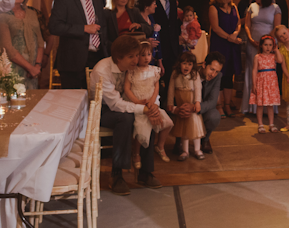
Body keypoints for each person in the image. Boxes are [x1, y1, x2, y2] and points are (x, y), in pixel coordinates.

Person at [88, 33, 162, 193]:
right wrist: (144, 109)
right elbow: (115, 104)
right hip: (102, 110)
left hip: (128, 105)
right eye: (131, 56)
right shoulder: (103, 70)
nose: (136, 60)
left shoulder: (133, 69)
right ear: (118, 58)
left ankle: (145, 172)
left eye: (137, 55)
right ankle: (116, 174)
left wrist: (152, 107)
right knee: (125, 119)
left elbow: (147, 89)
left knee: (148, 118)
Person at [50, 0, 116, 89]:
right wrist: (83, 28)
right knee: (72, 101)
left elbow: (103, 27)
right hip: (72, 59)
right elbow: (54, 26)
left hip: (96, 58)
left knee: (95, 100)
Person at [122, 40, 173, 167]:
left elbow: (156, 89)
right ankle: (137, 153)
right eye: (142, 55)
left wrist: (152, 102)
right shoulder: (132, 71)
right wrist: (137, 102)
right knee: (142, 129)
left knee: (168, 123)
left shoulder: (154, 70)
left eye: (149, 54)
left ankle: (160, 146)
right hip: (138, 105)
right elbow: (127, 89)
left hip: (152, 104)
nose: (146, 58)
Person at [0, 0, 44, 91]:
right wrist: (30, 68)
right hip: (12, 68)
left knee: (31, 103)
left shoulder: (32, 13)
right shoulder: (2, 16)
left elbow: (40, 42)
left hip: (32, 70)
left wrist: (37, 66)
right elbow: (7, 48)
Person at [243, 0, 281, 115]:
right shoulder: (252, 7)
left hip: (268, 44)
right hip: (253, 43)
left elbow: (277, 27)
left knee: (267, 74)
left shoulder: (275, 8)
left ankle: (268, 107)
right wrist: (250, 38)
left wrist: (266, 40)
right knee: (252, 71)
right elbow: (247, 25)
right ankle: (251, 107)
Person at [208, 0, 243, 117]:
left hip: (232, 45)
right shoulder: (214, 8)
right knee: (219, 75)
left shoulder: (233, 7)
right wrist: (229, 37)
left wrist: (235, 33)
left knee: (229, 75)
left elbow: (238, 23)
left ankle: (228, 105)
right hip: (220, 44)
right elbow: (215, 27)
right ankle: (219, 105)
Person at [167, 52, 207, 161]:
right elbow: (171, 89)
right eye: (184, 63)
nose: (186, 66)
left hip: (192, 104)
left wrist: (197, 102)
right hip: (181, 104)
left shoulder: (195, 74)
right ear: (179, 64)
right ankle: (185, 151)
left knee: (195, 128)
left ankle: (197, 149)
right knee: (183, 129)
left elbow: (198, 89)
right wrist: (170, 103)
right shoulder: (175, 74)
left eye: (189, 64)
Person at [249, 35, 285, 133]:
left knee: (270, 104)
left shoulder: (274, 56)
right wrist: (254, 84)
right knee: (260, 104)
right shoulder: (257, 57)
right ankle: (260, 124)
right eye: (266, 45)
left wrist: (276, 50)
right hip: (261, 81)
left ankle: (271, 124)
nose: (268, 47)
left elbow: (280, 60)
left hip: (271, 82)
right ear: (261, 45)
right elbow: (254, 70)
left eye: (270, 45)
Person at [155, 0, 180, 96]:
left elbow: (174, 25)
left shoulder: (172, 2)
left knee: (171, 81)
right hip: (157, 48)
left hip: (172, 49)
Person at [199, 52, 225, 154]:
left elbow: (213, 101)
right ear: (204, 64)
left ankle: (205, 139)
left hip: (201, 108)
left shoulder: (217, 77)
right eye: (212, 69)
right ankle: (180, 140)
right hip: (188, 105)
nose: (213, 74)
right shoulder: (192, 71)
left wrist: (196, 108)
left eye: (217, 71)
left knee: (214, 116)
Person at [130, 0, 162, 71]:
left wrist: (159, 61)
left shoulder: (151, 18)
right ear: (146, 6)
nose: (156, 6)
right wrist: (146, 42)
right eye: (154, 3)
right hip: (140, 59)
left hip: (152, 57)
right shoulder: (135, 19)